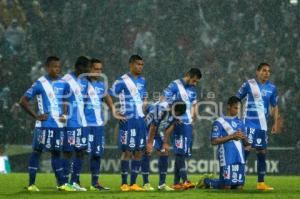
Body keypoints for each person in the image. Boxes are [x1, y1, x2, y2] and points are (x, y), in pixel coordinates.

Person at [19, 56, 73, 191]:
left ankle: (61, 184)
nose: (58, 69)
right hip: (44, 125)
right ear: (47, 68)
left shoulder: (64, 83)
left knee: (56, 153)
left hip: (58, 126)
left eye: (59, 66)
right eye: (54, 66)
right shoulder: (40, 83)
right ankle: (31, 184)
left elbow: (66, 100)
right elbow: (23, 101)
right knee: (37, 152)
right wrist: (36, 116)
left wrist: (65, 114)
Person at [236, 63, 280, 190]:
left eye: (268, 71)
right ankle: (239, 181)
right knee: (247, 149)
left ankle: (261, 183)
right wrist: (237, 119)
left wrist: (275, 122)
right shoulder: (249, 84)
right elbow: (237, 99)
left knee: (262, 151)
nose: (267, 73)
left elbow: (275, 106)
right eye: (264, 70)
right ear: (257, 72)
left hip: (262, 124)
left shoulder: (272, 88)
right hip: (248, 122)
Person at [108, 55, 147, 191]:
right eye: (138, 64)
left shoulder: (143, 80)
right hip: (128, 120)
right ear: (131, 64)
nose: (140, 67)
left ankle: (133, 183)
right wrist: (115, 112)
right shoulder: (122, 81)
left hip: (140, 120)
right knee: (127, 151)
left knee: (139, 151)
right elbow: (108, 94)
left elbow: (144, 96)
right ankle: (124, 183)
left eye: (142, 64)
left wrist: (145, 104)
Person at [85, 58, 124, 191]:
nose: (99, 71)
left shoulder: (101, 85)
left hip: (98, 125)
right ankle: (73, 181)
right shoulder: (81, 84)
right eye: (96, 69)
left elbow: (107, 97)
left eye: (100, 69)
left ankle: (95, 183)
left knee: (97, 154)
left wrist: (114, 111)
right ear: (89, 69)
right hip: (83, 124)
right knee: (79, 153)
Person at [160, 68, 202, 190]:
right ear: (188, 76)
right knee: (180, 153)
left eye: (197, 82)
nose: (195, 84)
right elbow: (163, 99)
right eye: (194, 81)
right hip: (178, 123)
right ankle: (185, 180)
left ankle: (176, 183)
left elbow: (194, 103)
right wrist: (172, 115)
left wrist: (194, 114)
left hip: (188, 124)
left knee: (181, 152)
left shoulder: (193, 88)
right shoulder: (174, 85)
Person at [197, 96, 248, 189]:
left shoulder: (241, 122)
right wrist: (232, 136)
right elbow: (214, 141)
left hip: (239, 156)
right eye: (235, 108)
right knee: (227, 186)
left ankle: (209, 182)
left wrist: (245, 138)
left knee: (239, 187)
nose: (237, 111)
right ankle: (207, 181)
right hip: (226, 155)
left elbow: (246, 144)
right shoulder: (219, 122)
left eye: (239, 109)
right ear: (229, 107)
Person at [141, 100, 186, 191]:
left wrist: (165, 143)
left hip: (158, 131)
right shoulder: (161, 110)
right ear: (175, 110)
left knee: (165, 152)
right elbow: (153, 126)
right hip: (147, 129)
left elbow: (169, 127)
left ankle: (162, 184)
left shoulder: (174, 114)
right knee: (147, 151)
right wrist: (149, 143)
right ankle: (146, 183)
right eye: (178, 113)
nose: (178, 115)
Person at [61, 56, 91, 191]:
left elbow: (83, 102)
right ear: (79, 67)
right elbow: (62, 100)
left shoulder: (85, 82)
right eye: (86, 68)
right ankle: (64, 182)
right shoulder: (66, 80)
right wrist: (63, 118)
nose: (88, 70)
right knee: (68, 152)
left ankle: (74, 182)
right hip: (71, 122)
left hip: (82, 122)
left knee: (81, 151)